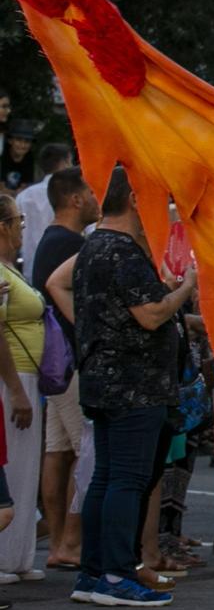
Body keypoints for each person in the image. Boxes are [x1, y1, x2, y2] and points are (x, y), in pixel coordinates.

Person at [61, 167, 195, 606]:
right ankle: (117, 576)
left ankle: (94, 573)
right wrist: (185, 289)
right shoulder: (122, 250)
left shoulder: (94, 246)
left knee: (106, 478)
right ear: (137, 200)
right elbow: (151, 314)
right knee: (128, 479)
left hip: (105, 382)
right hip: (135, 386)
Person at [32, 167, 95, 571]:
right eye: (90, 191)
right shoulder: (72, 244)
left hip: (55, 364)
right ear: (75, 199)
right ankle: (70, 541)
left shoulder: (47, 240)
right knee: (84, 452)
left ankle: (58, 542)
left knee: (57, 452)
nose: (96, 198)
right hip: (73, 363)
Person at [0, 192, 47, 584]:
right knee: (12, 468)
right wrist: (15, 389)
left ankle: (17, 555)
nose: (21, 228)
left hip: (26, 377)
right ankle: (4, 557)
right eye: (18, 221)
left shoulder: (9, 267)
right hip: (12, 379)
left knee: (25, 470)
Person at [14, 141, 74, 266]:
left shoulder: (23, 196)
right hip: (62, 267)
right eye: (70, 162)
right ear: (64, 163)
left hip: (29, 268)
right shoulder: (72, 195)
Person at [1, 122, 36, 194]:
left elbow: (25, 187)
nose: (22, 145)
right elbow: (1, 188)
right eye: (18, 140)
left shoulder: (29, 159)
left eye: (27, 141)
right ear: (10, 141)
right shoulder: (2, 156)